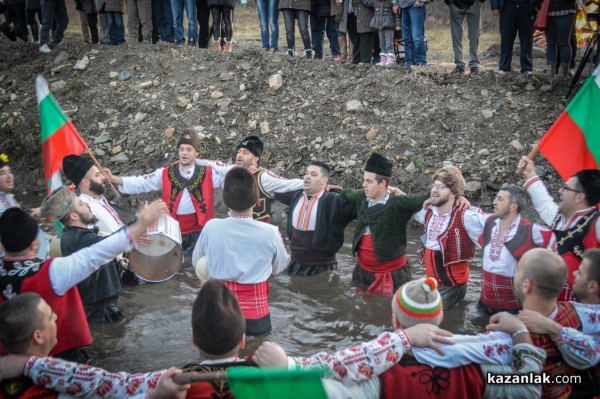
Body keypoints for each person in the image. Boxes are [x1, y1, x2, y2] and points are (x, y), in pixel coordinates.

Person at [253, 277, 546, 398]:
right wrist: (520, 332)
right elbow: (532, 386)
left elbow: (329, 387)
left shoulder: (377, 375)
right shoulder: (478, 368)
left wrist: (288, 368)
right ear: (441, 317)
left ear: (394, 320)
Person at [0, 198, 165, 362]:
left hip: (9, 363)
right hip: (55, 363)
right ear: (36, 243)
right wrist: (141, 224)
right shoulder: (52, 272)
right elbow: (97, 253)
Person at [0, 293, 190, 399]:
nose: (56, 318)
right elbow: (110, 384)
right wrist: (155, 396)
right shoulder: (59, 389)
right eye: (50, 317)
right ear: (38, 336)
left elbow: (112, 383)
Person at [192, 167, 289, 335]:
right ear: (256, 200)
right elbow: (279, 267)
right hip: (257, 315)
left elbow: (196, 261)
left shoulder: (211, 227)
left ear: (225, 199)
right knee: (257, 355)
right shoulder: (270, 232)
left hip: (220, 310)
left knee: (222, 358)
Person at [105, 129, 222, 254]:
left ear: (197, 153)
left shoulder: (209, 173)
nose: (184, 153)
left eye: (189, 149)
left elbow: (231, 179)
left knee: (197, 266)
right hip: (172, 231)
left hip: (201, 231)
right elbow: (142, 182)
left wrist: (244, 171)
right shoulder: (166, 173)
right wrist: (114, 179)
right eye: (181, 149)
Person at [336, 152, 429, 296]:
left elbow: (426, 197)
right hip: (363, 271)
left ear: (383, 183)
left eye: (369, 181)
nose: (363, 185)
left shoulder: (398, 204)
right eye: (364, 180)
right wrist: (328, 188)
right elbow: (346, 193)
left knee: (387, 311)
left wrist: (457, 195)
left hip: (392, 274)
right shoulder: (361, 197)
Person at [517, 156, 600, 301]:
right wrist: (530, 173)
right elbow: (543, 203)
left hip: (575, 313)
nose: (560, 191)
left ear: (579, 197)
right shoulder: (560, 218)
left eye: (566, 187)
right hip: (545, 305)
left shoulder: (596, 224)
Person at [464, 184, 550, 315]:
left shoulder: (531, 230)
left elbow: (560, 235)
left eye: (500, 199)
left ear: (513, 207)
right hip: (484, 303)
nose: (494, 202)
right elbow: (468, 214)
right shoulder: (489, 221)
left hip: (513, 310)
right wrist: (461, 200)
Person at [43, 185, 124, 323]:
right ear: (74, 216)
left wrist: (117, 265)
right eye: (81, 204)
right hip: (99, 315)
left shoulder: (74, 235)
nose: (87, 203)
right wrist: (140, 224)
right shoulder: (80, 239)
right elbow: (111, 243)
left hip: (100, 311)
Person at [197, 135, 303, 223]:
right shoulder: (232, 170)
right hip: (234, 229)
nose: (239, 155)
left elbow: (289, 184)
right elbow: (213, 164)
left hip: (258, 233)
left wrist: (315, 182)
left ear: (256, 159)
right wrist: (189, 161)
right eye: (239, 151)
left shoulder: (263, 178)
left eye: (245, 152)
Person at [275, 161, 356, 276]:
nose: (307, 177)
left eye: (313, 174)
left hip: (323, 268)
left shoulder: (335, 201)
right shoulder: (296, 196)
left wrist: (345, 192)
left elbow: (363, 208)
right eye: (306, 173)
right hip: (294, 263)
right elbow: (272, 187)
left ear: (324, 180)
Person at [414, 166, 476, 310]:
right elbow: (408, 206)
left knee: (428, 319)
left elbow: (491, 226)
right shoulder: (429, 213)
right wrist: (397, 193)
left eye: (441, 186)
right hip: (433, 283)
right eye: (434, 185)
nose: (434, 190)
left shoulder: (466, 216)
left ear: (453, 192)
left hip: (452, 287)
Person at [0, 153, 46, 260]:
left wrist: (29, 218)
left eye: (10, 172)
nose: (9, 176)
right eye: (2, 173)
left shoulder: (9, 198)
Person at [491, 0, 539, 74]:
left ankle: (527, 68)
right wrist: (494, 6)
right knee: (506, 39)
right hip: (507, 8)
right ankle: (504, 67)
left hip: (527, 8)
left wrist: (537, 5)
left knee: (526, 40)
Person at [446, 0, 484, 74]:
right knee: (456, 35)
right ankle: (459, 65)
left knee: (474, 35)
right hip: (455, 4)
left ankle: (474, 65)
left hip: (474, 4)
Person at [393, 0, 429, 70]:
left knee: (417, 37)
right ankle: (410, 63)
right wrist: (396, 3)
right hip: (404, 6)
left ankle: (420, 63)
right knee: (406, 38)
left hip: (416, 5)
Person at [545, 0, 576, 78]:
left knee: (557, 43)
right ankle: (561, 73)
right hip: (558, 11)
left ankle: (553, 73)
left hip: (562, 10)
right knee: (562, 43)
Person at [364, 0, 395, 66]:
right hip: (379, 25)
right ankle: (383, 59)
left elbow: (396, 13)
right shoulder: (375, 2)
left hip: (389, 24)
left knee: (389, 43)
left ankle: (390, 59)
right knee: (381, 43)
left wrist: (397, 24)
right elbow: (366, 2)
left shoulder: (391, 2)